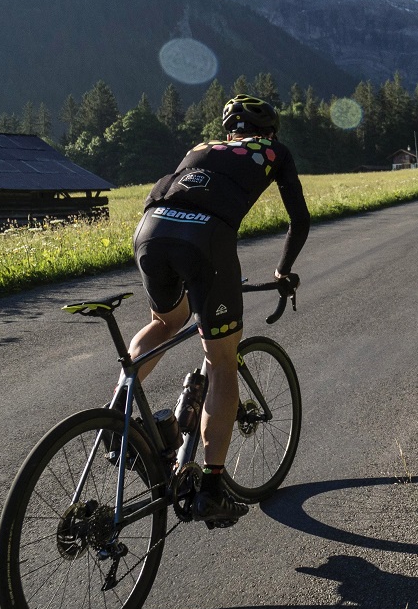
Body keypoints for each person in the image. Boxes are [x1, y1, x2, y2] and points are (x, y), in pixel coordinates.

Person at [123, 94, 310, 527]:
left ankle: (118, 424)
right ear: (270, 132)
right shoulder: (274, 151)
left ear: (229, 131)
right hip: (206, 240)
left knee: (165, 322)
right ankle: (211, 487)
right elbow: (298, 220)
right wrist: (283, 270)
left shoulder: (201, 148)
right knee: (222, 361)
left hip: (150, 230)